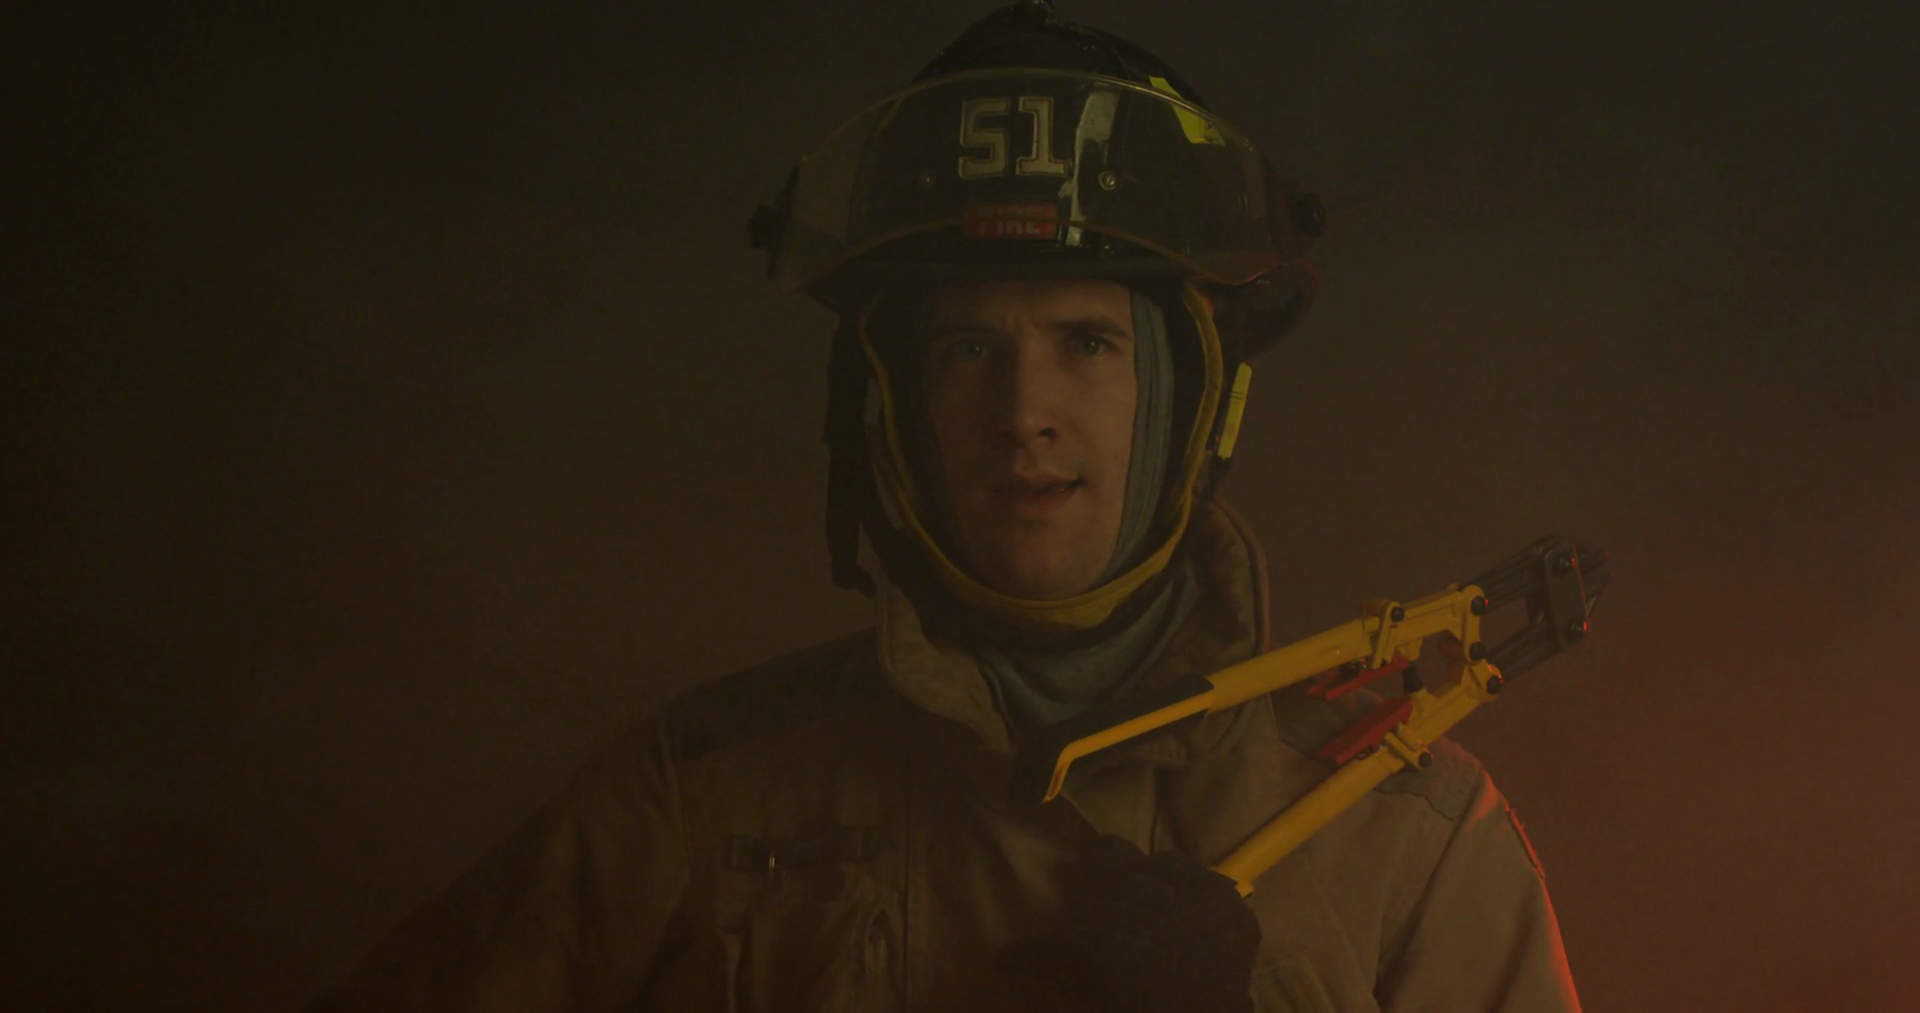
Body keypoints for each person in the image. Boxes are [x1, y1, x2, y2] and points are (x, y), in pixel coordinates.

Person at [310, 3, 1582, 1010]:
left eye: (1087, 342)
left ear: (1192, 399)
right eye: (969, 347)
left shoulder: (1410, 835)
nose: (1023, 411)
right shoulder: (698, 796)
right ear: (897, 404)